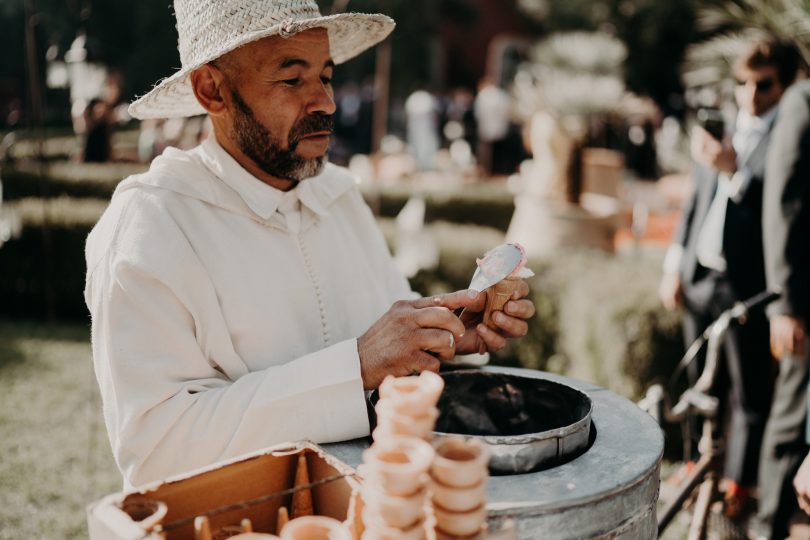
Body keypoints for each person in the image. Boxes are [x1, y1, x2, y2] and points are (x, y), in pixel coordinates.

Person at [84, 0, 535, 489]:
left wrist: (447, 339)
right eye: (292, 79)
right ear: (212, 90)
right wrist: (355, 366)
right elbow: (155, 451)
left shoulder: (339, 196)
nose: (326, 102)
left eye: (326, 76)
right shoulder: (151, 225)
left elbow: (389, 349)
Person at [659, 37, 800, 517]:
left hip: (750, 286)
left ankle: (739, 484)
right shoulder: (721, 123)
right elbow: (695, 200)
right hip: (702, 272)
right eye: (743, 82)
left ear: (788, 84)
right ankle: (700, 465)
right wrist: (674, 264)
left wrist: (732, 172)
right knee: (700, 381)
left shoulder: (791, 134)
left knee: (748, 390)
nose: (750, 96)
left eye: (764, 85)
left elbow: (784, 214)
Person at [755, 78, 810, 539]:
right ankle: (767, 524)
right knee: (792, 414)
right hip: (804, 304)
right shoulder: (803, 100)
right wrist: (786, 306)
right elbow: (783, 204)